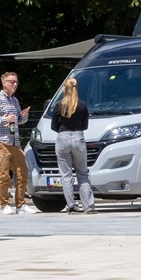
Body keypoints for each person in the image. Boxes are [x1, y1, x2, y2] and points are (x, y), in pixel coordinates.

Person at [0, 71, 31, 214]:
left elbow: (17, 120)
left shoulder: (15, 100)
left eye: (16, 82)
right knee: (4, 175)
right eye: (12, 81)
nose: (15, 84)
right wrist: (5, 119)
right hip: (1, 143)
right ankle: (4, 205)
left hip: (14, 142)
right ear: (4, 83)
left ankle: (20, 205)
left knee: (23, 173)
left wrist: (23, 117)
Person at [48, 76, 93, 213]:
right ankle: (89, 207)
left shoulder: (59, 105)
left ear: (64, 89)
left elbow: (53, 126)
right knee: (83, 174)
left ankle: (72, 206)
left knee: (66, 175)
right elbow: (85, 125)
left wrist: (63, 132)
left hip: (62, 138)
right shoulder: (82, 105)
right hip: (78, 137)